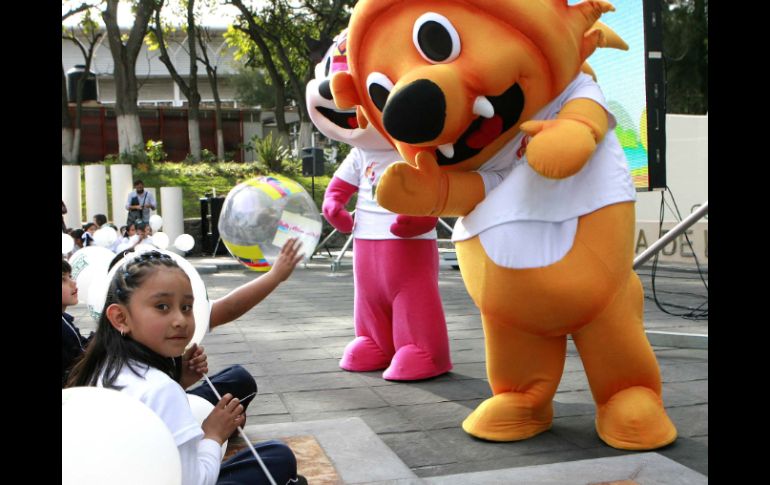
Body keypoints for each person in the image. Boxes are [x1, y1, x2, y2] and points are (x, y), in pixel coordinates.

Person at [66, 251, 300, 484]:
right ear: (120, 317)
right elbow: (193, 481)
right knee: (277, 456)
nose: (180, 319)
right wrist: (214, 434)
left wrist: (180, 379)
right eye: (162, 306)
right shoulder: (162, 390)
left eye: (187, 307)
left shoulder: (103, 364)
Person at [62, 259, 92, 386]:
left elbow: (81, 345)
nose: (73, 283)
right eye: (63, 280)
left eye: (70, 276)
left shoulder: (65, 319)